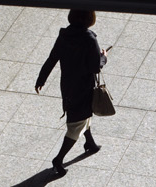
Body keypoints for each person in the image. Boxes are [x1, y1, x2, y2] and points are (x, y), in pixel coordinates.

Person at [34, 9, 106, 176]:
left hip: (68, 85)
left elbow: (52, 58)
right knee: (76, 124)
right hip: (83, 87)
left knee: (80, 116)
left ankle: (90, 143)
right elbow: (95, 67)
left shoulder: (64, 35)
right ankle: (58, 160)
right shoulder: (89, 39)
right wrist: (104, 57)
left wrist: (41, 79)